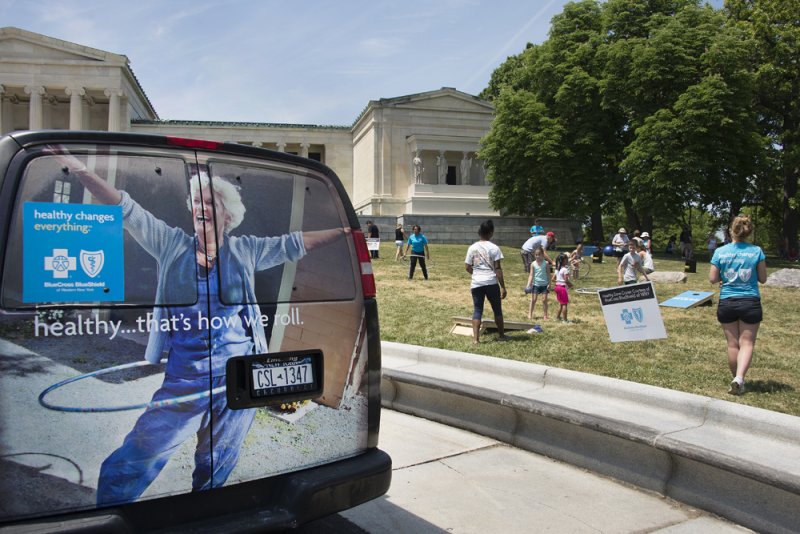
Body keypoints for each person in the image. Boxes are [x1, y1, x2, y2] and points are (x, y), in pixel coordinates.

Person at [45, 146, 348, 505]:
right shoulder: (170, 243)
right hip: (185, 377)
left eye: (211, 203)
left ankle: (203, 513)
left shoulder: (245, 250)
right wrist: (79, 169)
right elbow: (124, 209)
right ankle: (107, 517)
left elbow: (294, 244)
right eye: (197, 203)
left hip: (238, 376)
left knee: (216, 464)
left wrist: (347, 230)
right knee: (132, 461)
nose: (201, 209)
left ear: (227, 214)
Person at [709, 214, 767, 396]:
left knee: (733, 344)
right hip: (750, 301)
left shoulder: (720, 252)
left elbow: (712, 278)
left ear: (730, 231)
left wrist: (724, 277)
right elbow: (763, 279)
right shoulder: (756, 251)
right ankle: (740, 379)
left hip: (727, 301)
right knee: (747, 343)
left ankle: (737, 379)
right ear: (748, 231)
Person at [465, 220, 507, 343]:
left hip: (476, 283)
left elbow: (467, 267)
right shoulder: (494, 248)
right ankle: (501, 335)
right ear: (490, 232)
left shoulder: (472, 248)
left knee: (478, 310)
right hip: (491, 282)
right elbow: (498, 268)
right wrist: (503, 287)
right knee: (497, 309)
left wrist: (477, 274)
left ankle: (476, 340)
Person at [525, 246, 551, 321]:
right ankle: (530, 314)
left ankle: (545, 315)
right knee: (533, 299)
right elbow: (531, 275)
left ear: (543, 255)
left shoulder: (546, 263)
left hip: (544, 285)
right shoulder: (533, 264)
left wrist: (550, 283)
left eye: (539, 254)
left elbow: (549, 274)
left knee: (544, 300)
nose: (537, 256)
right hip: (536, 285)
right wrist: (528, 284)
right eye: (536, 255)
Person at [552, 253, 573, 323]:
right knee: (564, 304)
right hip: (562, 288)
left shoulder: (557, 269)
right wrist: (570, 285)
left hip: (557, 287)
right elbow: (566, 280)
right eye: (566, 259)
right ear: (563, 260)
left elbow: (553, 279)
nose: (567, 260)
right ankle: (565, 320)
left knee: (561, 303)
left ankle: (557, 317)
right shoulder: (565, 270)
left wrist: (559, 281)